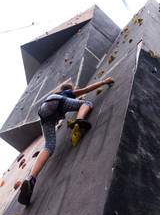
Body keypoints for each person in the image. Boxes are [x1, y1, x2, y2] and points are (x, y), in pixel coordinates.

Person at [18, 77, 114, 206]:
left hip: (43, 112)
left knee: (49, 146)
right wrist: (104, 82)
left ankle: (31, 179)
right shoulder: (67, 93)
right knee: (87, 104)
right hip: (57, 104)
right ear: (68, 89)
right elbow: (86, 90)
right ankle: (79, 120)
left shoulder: (55, 95)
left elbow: (59, 110)